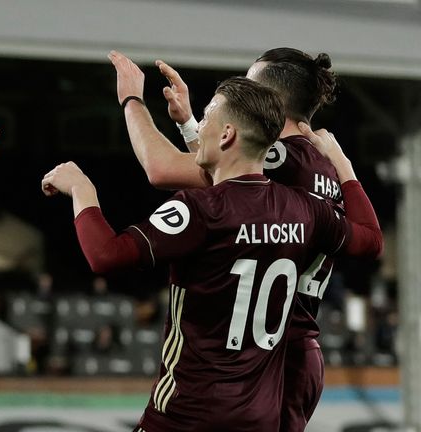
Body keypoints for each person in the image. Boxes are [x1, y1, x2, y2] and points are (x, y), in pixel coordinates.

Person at [42, 77, 382, 431]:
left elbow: (105, 255)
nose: (199, 126)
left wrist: (82, 188)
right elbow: (371, 240)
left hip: (188, 415)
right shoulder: (306, 209)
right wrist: (343, 164)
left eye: (206, 118)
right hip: (259, 419)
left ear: (227, 135)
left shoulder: (200, 209)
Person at [108, 48, 348, 431]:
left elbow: (162, 168)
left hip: (269, 360)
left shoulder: (280, 157)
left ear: (270, 100)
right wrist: (192, 125)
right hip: (290, 347)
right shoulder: (318, 162)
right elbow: (226, 189)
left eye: (248, 84)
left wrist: (131, 99)